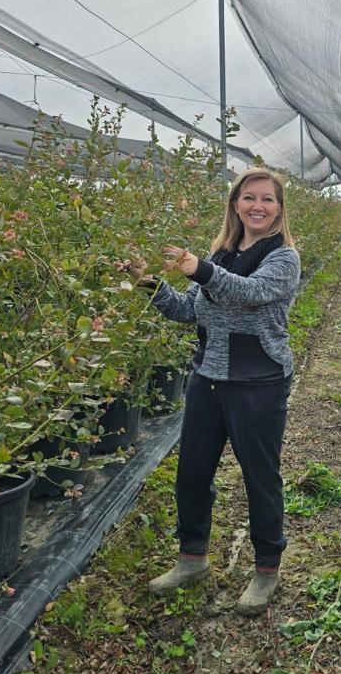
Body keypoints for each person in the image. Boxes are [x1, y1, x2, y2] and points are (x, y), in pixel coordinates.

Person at [119, 168, 301, 616]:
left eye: (268, 200)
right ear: (235, 204)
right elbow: (190, 311)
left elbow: (251, 294)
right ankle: (191, 559)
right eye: (249, 197)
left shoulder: (283, 258)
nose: (258, 206)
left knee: (260, 477)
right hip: (208, 378)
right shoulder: (219, 252)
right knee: (193, 474)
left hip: (258, 382)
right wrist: (149, 283)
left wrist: (200, 270)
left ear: (279, 209)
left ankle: (266, 568)